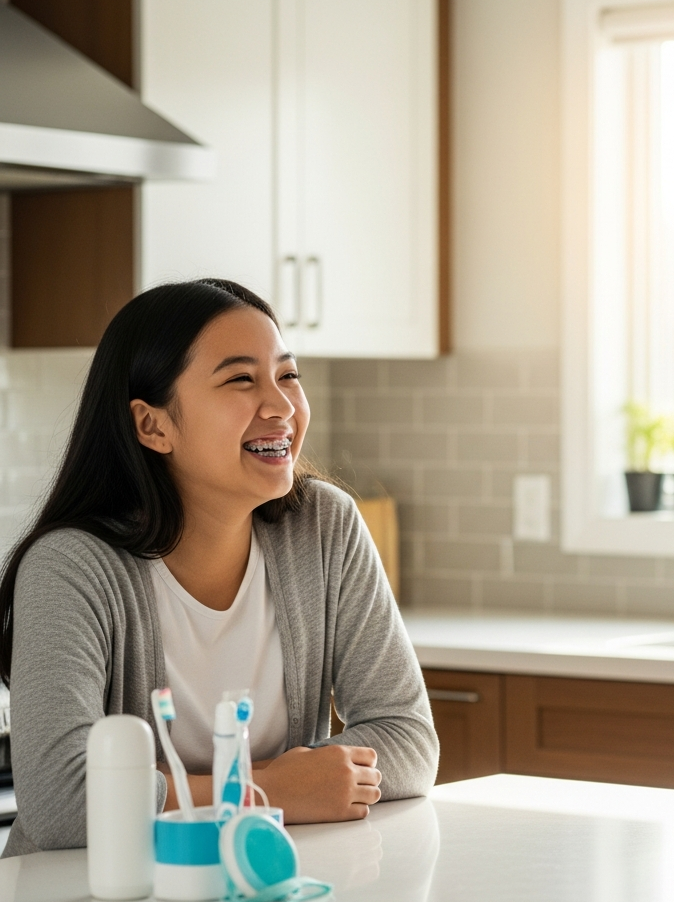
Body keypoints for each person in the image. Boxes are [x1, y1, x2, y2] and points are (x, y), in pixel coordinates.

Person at [0, 279, 438, 857]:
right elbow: (62, 802)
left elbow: (407, 739)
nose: (281, 406)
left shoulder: (325, 528)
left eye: (287, 376)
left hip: (259, 896)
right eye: (240, 379)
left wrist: (158, 788)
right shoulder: (72, 568)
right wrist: (271, 790)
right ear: (153, 426)